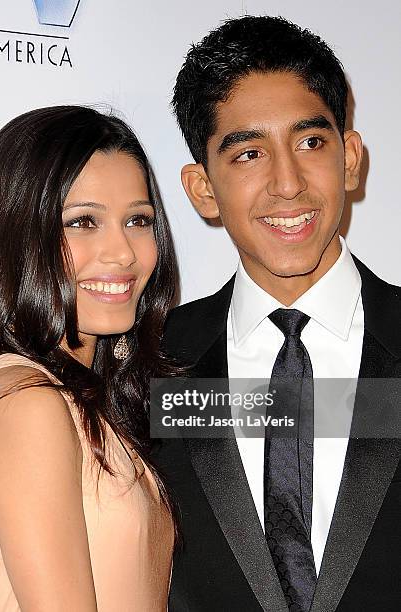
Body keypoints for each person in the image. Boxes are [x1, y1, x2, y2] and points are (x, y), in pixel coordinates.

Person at [154, 15, 401, 612]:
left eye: (311, 142)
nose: (287, 184)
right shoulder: (156, 359)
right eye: (247, 154)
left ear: (351, 157)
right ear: (202, 189)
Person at [0, 106, 179, 611]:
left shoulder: (67, 395)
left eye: (138, 220)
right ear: (18, 233)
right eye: (83, 222)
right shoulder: (23, 401)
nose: (122, 252)